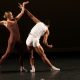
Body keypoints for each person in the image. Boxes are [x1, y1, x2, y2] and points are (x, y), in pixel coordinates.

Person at [25, 8, 60, 72]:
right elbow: (44, 41)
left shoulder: (39, 22)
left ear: (43, 22)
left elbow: (31, 16)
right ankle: (51, 67)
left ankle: (33, 69)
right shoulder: (47, 30)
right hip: (35, 40)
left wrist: (24, 9)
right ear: (48, 25)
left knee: (31, 55)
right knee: (43, 55)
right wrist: (48, 45)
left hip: (29, 39)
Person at [0, 1, 29, 72]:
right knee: (7, 54)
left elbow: (22, 13)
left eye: (12, 14)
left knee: (22, 52)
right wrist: (3, 22)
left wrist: (23, 6)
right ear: (8, 16)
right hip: (12, 40)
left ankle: (21, 68)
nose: (12, 15)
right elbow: (4, 22)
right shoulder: (6, 22)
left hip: (18, 40)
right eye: (11, 15)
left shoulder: (14, 19)